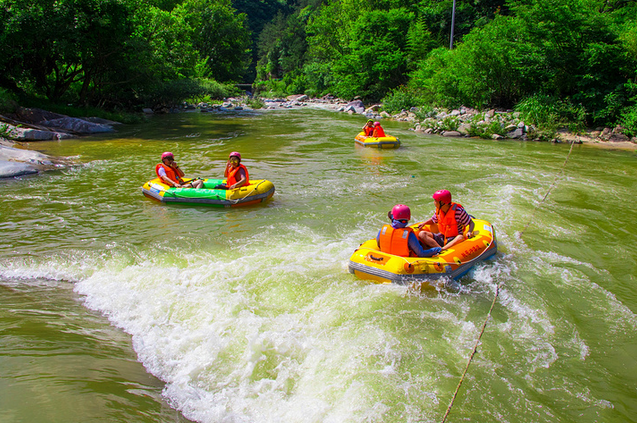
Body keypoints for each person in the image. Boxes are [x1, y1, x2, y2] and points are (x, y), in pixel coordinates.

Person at [377, 204, 442, 257]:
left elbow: (379, 245)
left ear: (393, 217)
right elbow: (421, 253)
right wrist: (437, 249)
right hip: (403, 262)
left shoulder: (383, 230)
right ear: (408, 218)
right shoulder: (409, 235)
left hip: (385, 259)